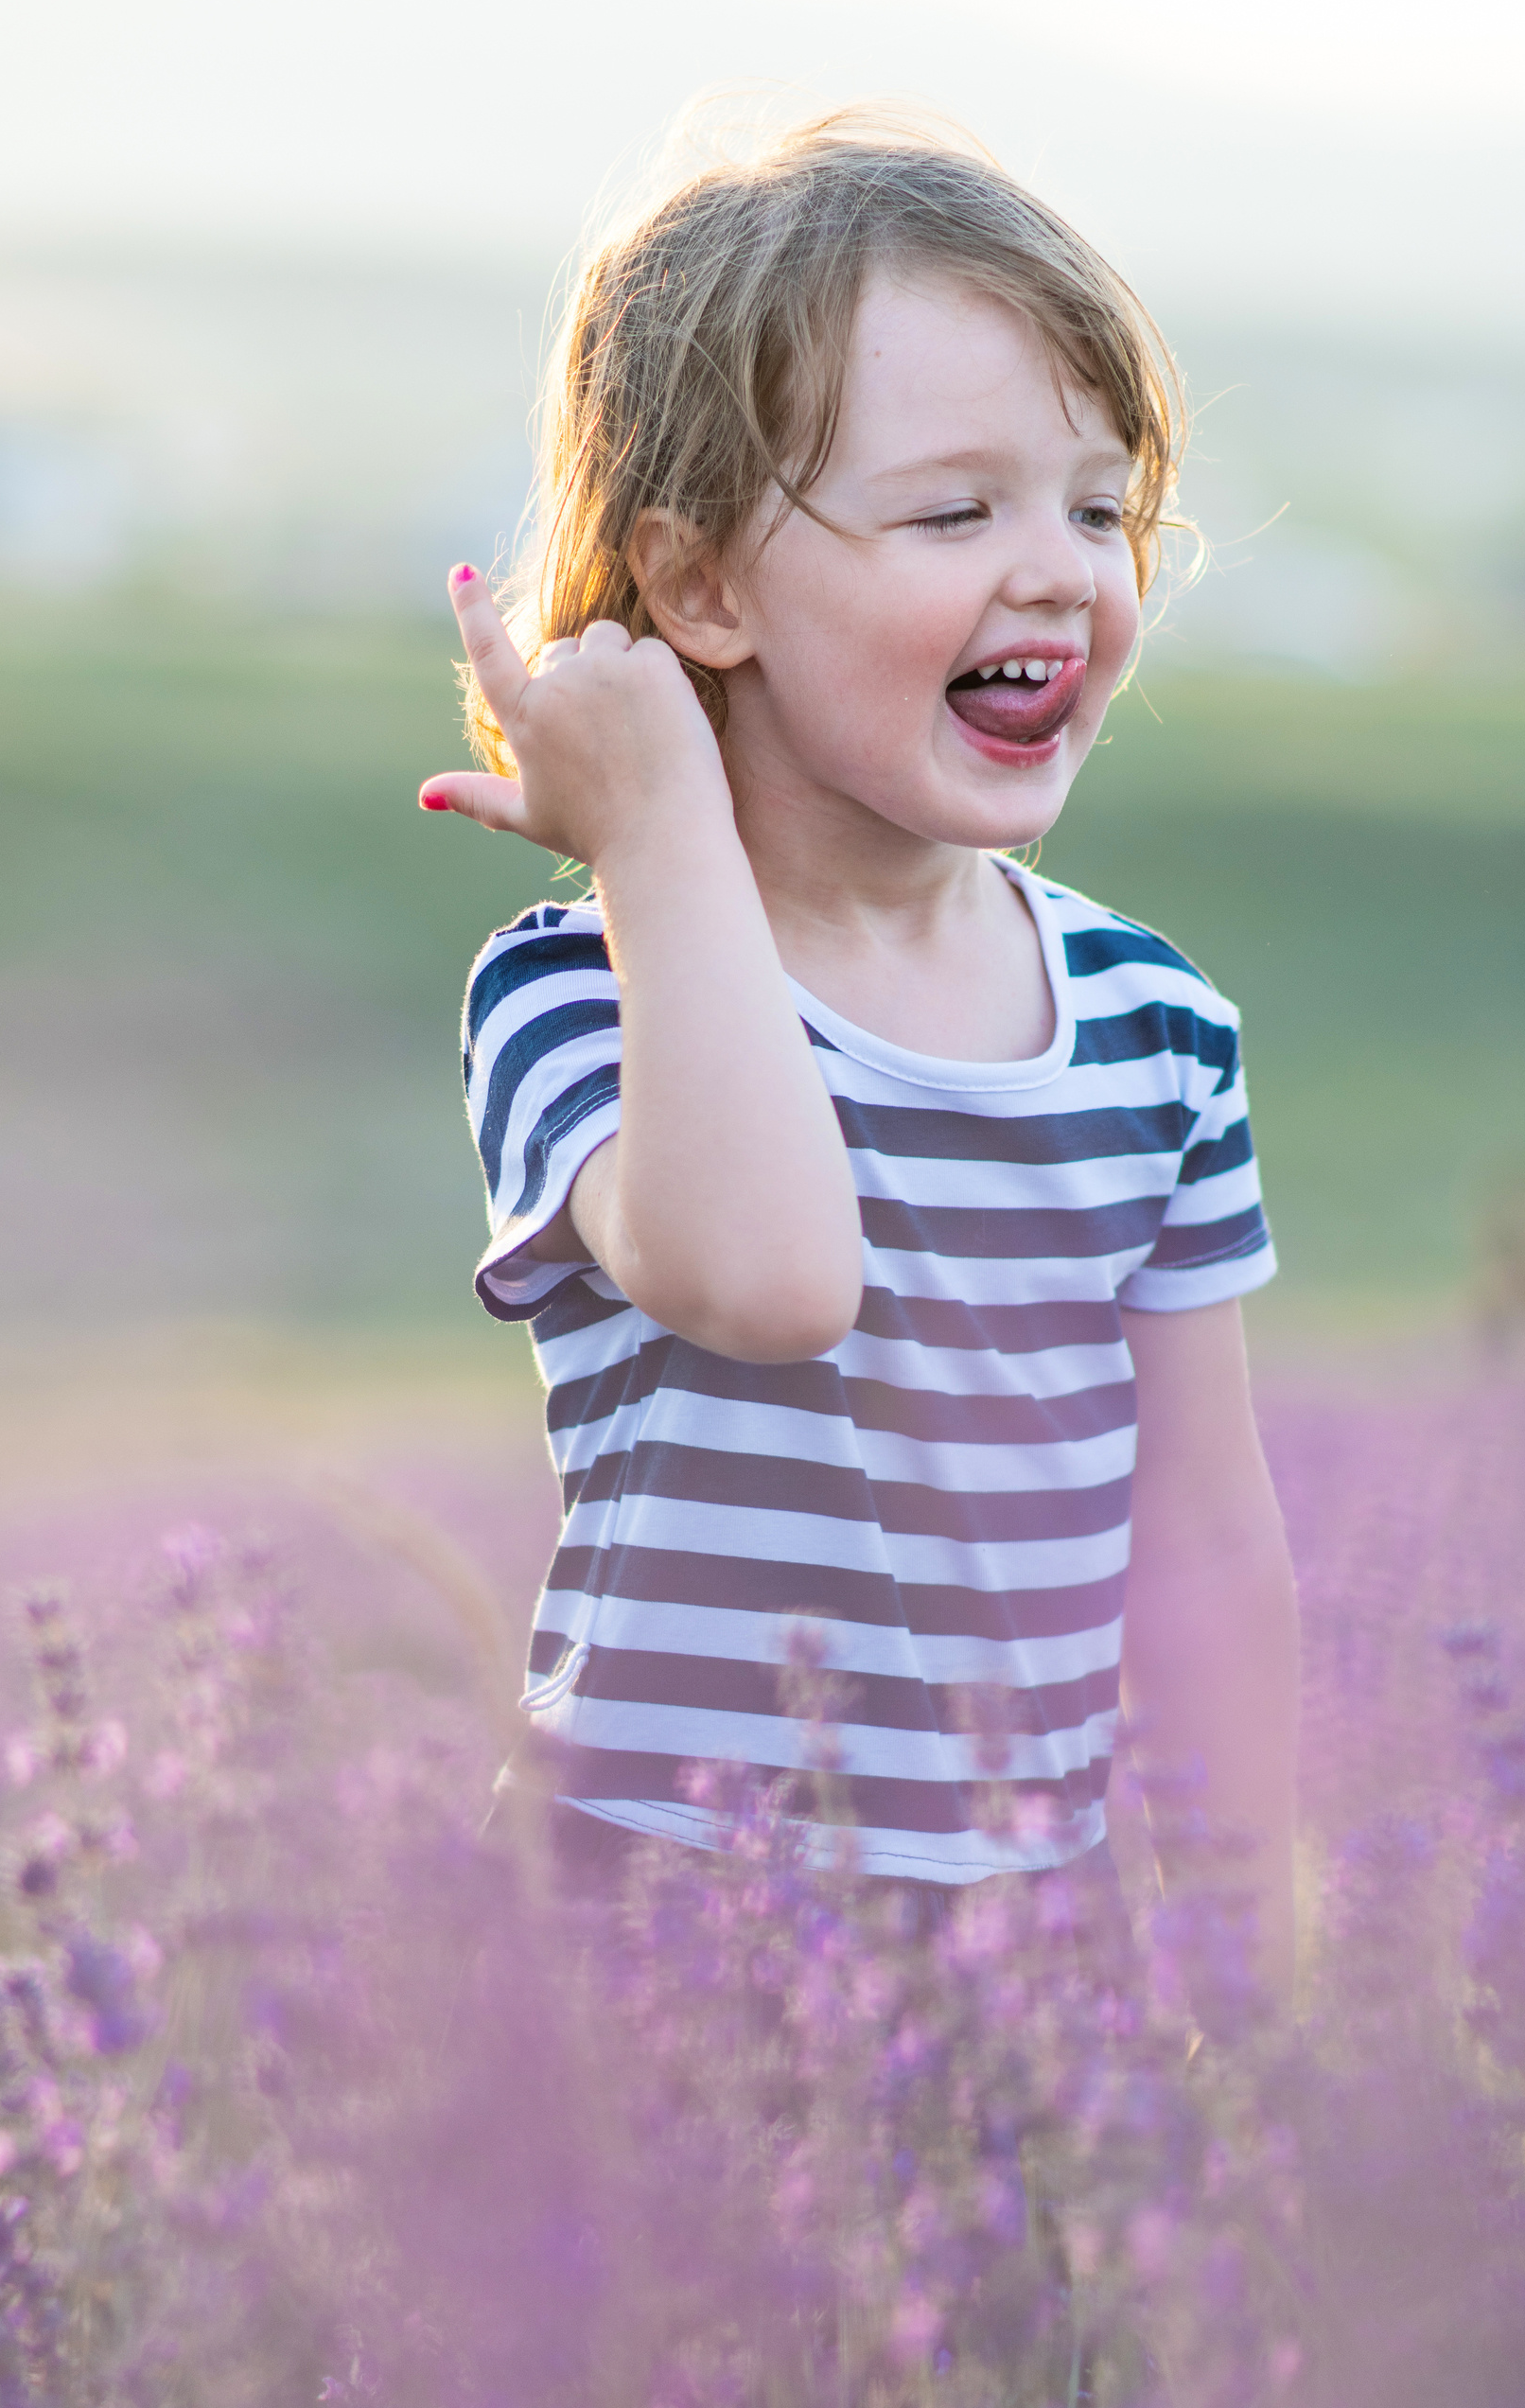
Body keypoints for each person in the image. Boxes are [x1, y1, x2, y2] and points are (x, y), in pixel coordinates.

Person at [417, 111, 1300, 2010]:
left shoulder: (1154, 1029)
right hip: (639, 1930)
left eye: (1091, 502)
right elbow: (768, 1276)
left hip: (1028, 1948)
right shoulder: (573, 990)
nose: (1058, 570)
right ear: (701, 589)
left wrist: (1239, 1961)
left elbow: (1206, 1539)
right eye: (952, 509)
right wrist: (652, 834)